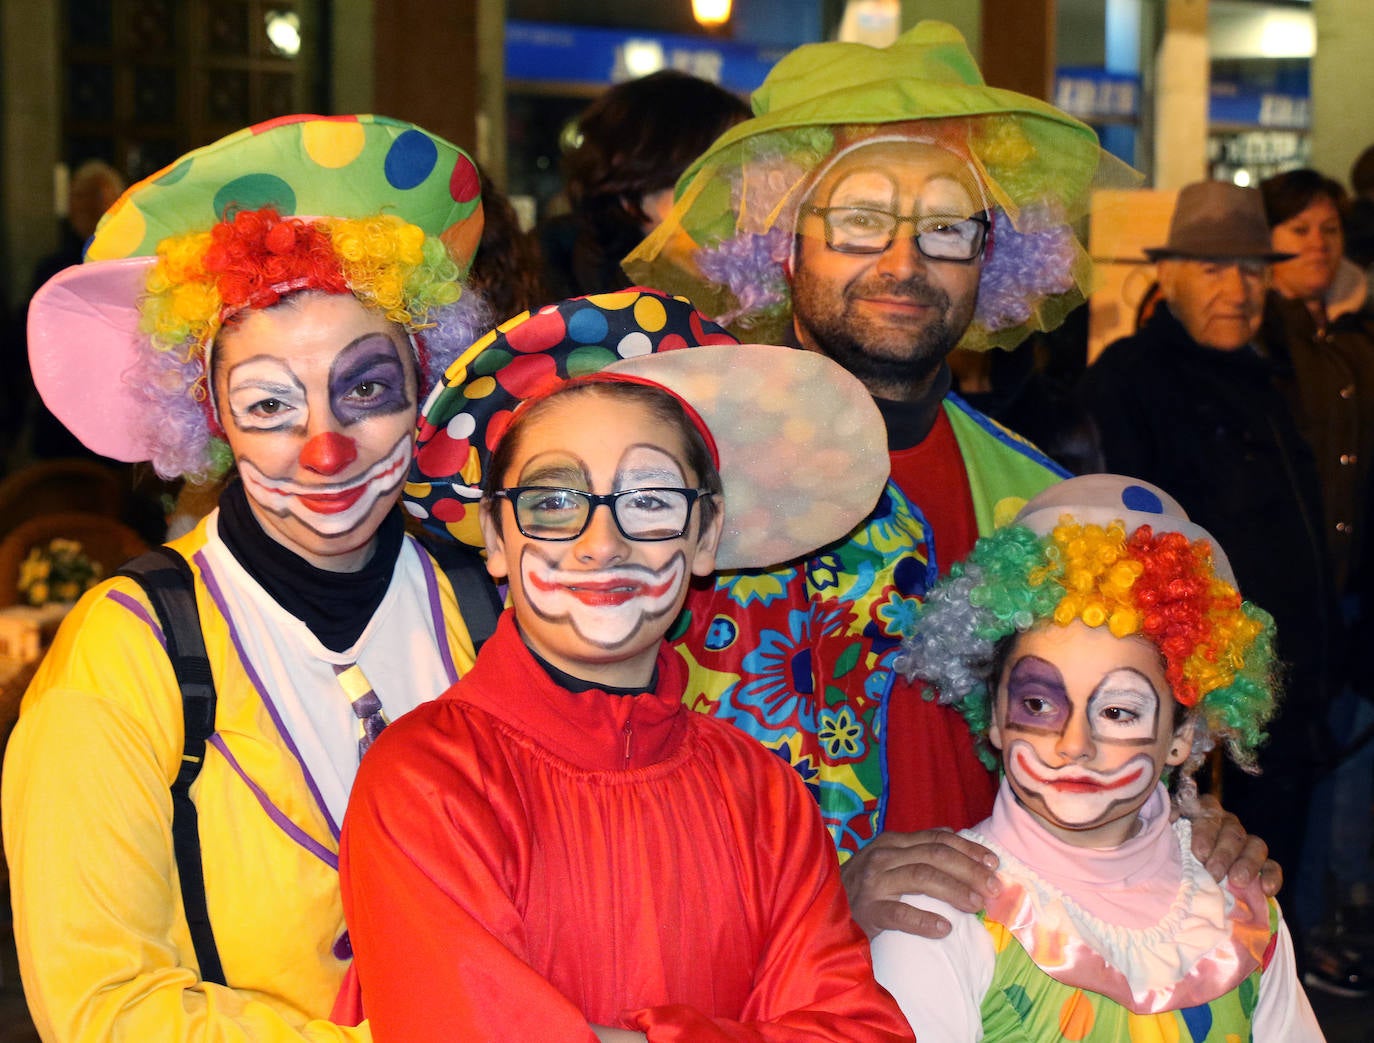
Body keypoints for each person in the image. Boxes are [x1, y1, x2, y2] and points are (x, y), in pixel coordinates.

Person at [624, 21, 1274, 938]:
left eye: (943, 225)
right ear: (780, 240)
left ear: (992, 253)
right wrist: (811, 900)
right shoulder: (670, 481)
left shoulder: (1043, 502)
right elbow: (592, 771)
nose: (903, 262)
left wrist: (1191, 830)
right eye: (857, 221)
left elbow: (1125, 754)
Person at [4, 114, 489, 1041]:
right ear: (212, 419)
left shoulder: (486, 596)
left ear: (423, 385)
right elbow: (100, 1002)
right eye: (269, 401)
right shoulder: (124, 653)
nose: (325, 447)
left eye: (367, 388)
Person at [341, 300, 912, 1041]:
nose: (601, 542)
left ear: (705, 536)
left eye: (649, 501)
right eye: (553, 502)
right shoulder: (426, 778)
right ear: (495, 538)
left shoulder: (762, 794)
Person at [870, 474, 1324, 1041]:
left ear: (1183, 736)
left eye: (1118, 712)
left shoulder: (1241, 906)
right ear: (993, 715)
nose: (1074, 744)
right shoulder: (941, 916)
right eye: (1038, 702)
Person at [1078, 180, 1335, 961]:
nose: (1239, 289)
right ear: (1174, 276)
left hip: (1284, 686)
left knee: (1273, 858)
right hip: (1185, 695)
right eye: (1216, 269)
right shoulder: (1127, 379)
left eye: (1253, 271)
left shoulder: (1279, 377)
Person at [1261, 167, 1374, 996]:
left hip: (1347, 598)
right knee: (1280, 777)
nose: (1316, 244)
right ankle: (1287, 941)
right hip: (1278, 604)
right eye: (1297, 229)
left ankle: (1325, 923)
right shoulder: (1258, 341)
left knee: (1339, 768)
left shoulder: (1353, 337)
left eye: (1327, 229)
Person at [537, 69, 749, 299]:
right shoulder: (546, 294)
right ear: (634, 187)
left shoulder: (754, 298)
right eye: (719, 180)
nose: (742, 204)